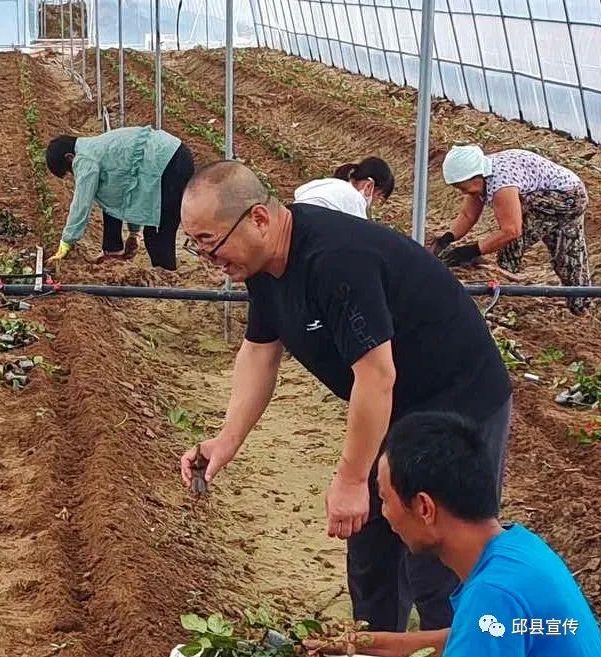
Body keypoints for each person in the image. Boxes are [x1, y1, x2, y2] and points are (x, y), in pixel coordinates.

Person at [178, 161, 512, 633]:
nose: (207, 256)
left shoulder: (334, 260)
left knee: (437, 555)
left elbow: (376, 377)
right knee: (372, 547)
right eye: (196, 244)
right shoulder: (263, 263)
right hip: (394, 407)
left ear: (258, 219)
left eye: (210, 242)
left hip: (457, 401)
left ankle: (465, 642)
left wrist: (353, 479)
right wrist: (226, 441)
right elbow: (259, 352)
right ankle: (374, 641)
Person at [305, 412, 601, 656]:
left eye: (384, 499)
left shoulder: (492, 595)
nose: (382, 513)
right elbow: (469, 634)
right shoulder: (520, 548)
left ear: (424, 508)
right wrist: (357, 647)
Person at [430, 144, 591, 314]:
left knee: (510, 243)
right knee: (566, 256)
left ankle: (507, 278)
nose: (463, 192)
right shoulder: (482, 177)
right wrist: (447, 238)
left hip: (566, 198)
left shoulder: (502, 184)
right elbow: (467, 216)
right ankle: (581, 307)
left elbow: (511, 230)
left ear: (475, 176)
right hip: (563, 196)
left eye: (463, 187)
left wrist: (470, 251)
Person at [45, 126, 194, 269]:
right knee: (114, 206)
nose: (74, 175)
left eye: (70, 172)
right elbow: (130, 194)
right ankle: (114, 252)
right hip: (174, 155)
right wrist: (133, 233)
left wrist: (66, 241)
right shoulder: (96, 148)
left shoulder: (85, 159)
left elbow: (81, 203)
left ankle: (167, 284)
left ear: (70, 157)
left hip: (171, 162)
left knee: (157, 234)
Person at [293, 156, 394, 219]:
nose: (374, 201)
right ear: (369, 186)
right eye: (378, 195)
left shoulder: (325, 184)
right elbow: (361, 238)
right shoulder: (354, 199)